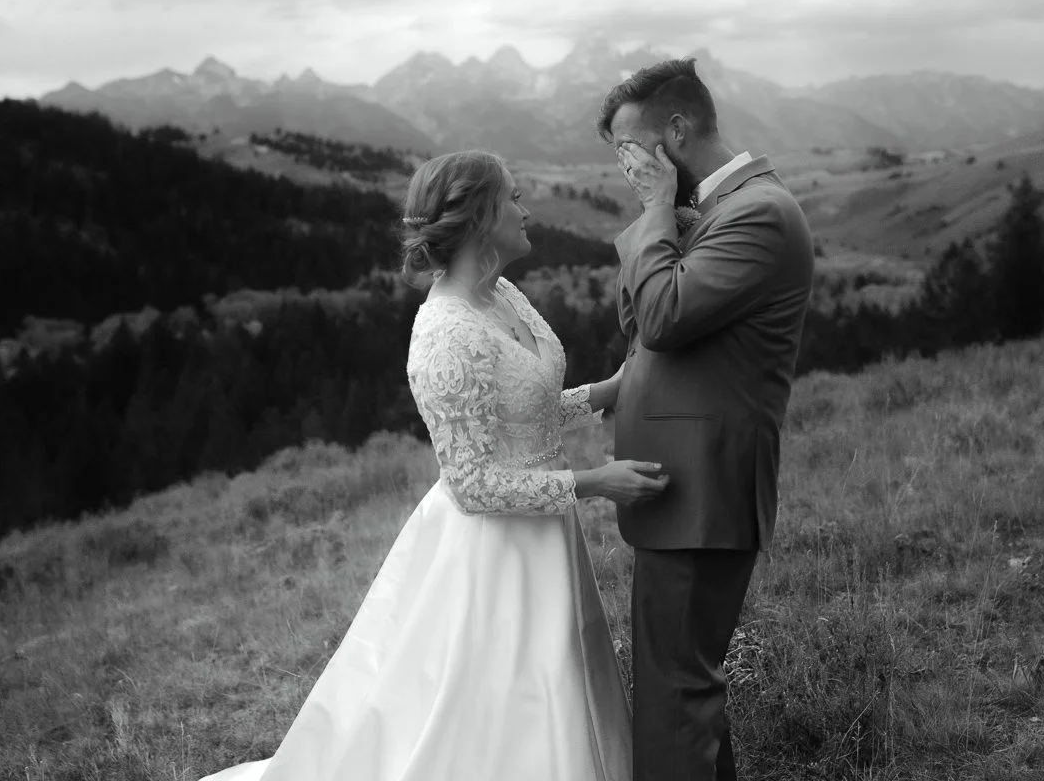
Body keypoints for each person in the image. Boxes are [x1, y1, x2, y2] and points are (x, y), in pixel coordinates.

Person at [198, 149, 668, 781]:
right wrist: (595, 484)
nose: (527, 210)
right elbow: (471, 484)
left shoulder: (501, 292)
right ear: (479, 218)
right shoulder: (444, 333)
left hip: (542, 530)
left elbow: (518, 413)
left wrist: (601, 392)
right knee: (502, 701)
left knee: (558, 678)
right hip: (492, 549)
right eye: (515, 199)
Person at [597, 58, 816, 781]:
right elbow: (639, 323)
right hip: (678, 489)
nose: (627, 169)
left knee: (673, 696)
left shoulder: (759, 212)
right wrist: (661, 215)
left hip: (704, 491)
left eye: (631, 150)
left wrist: (661, 212)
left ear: (677, 131)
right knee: (679, 689)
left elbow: (660, 317)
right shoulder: (715, 211)